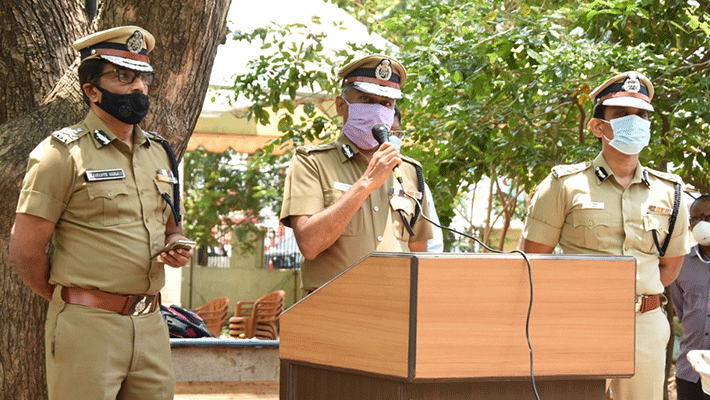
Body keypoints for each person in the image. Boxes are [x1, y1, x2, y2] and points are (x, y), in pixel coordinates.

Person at [8, 26, 193, 400]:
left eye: (142, 77)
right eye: (123, 76)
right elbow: (25, 250)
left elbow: (172, 226)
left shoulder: (161, 153)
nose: (138, 86)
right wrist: (73, 300)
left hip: (152, 326)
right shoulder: (61, 155)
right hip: (87, 326)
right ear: (92, 90)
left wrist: (176, 244)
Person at [519, 71, 690, 400]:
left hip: (644, 325)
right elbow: (533, 262)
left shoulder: (671, 192)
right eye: (622, 114)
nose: (634, 122)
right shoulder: (564, 185)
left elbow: (669, 268)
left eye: (641, 115)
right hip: (579, 321)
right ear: (598, 126)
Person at [280, 54, 434, 293]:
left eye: (386, 104)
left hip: (394, 306)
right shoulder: (312, 163)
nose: (378, 111)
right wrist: (367, 183)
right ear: (341, 106)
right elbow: (309, 244)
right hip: (334, 306)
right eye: (366, 99)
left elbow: (418, 255)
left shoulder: (409, 171)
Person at [671, 195, 710, 400]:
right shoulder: (681, 264)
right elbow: (681, 309)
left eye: (708, 218)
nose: (702, 224)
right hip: (690, 371)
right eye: (696, 218)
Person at [390, 106, 444, 252]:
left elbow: (432, 247)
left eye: (397, 132)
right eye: (387, 132)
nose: (392, 138)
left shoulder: (415, 182)